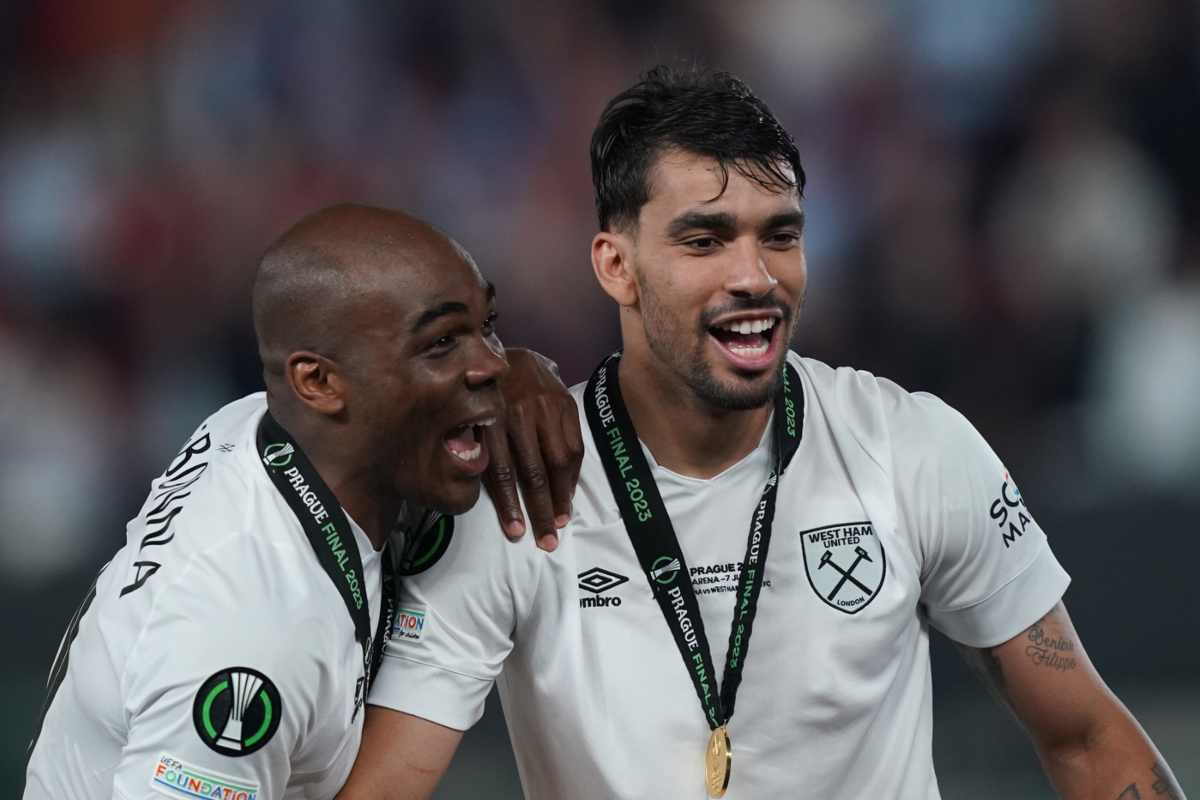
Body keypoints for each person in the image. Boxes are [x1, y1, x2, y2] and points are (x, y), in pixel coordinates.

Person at [339, 67, 1186, 799]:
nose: (754, 277)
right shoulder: (519, 497)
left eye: (779, 234)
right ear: (616, 265)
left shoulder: (912, 448)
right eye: (704, 240)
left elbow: (1088, 739)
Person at [22, 204, 583, 799]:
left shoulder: (259, 426)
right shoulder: (247, 637)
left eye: (487, 325)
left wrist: (523, 371)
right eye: (441, 342)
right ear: (318, 382)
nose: (492, 362)